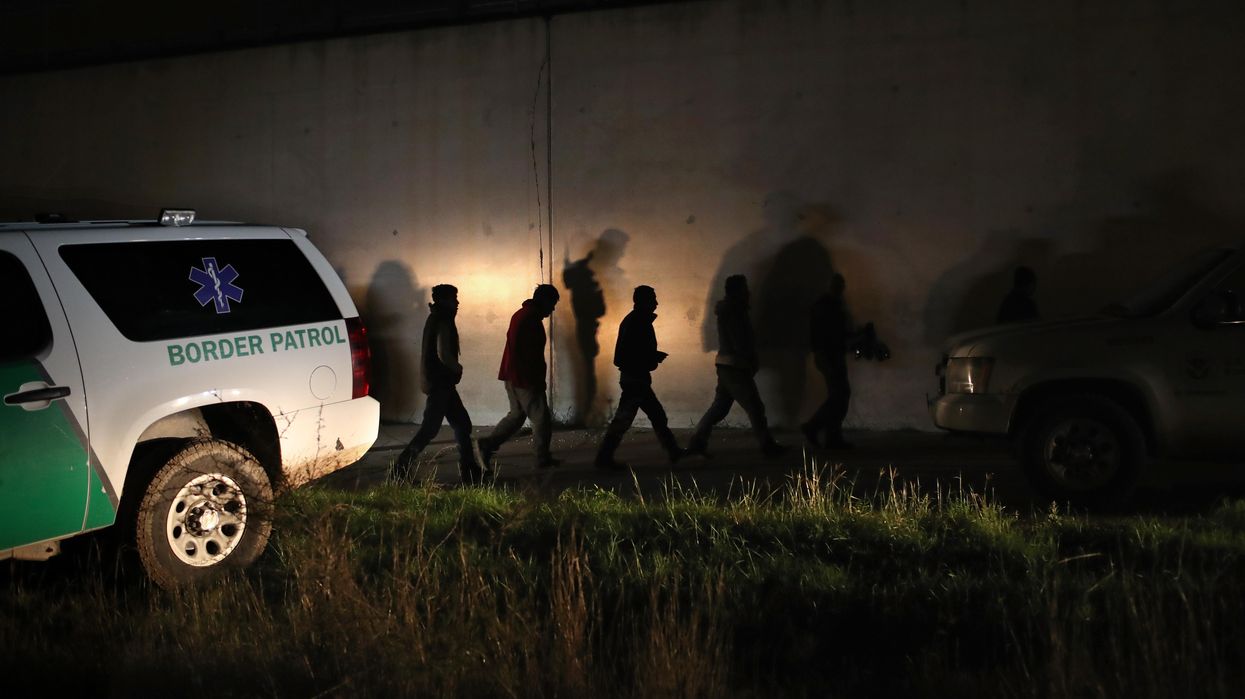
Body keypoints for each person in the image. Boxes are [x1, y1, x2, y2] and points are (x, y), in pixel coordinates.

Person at [391, 284, 483, 484]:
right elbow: (444, 353)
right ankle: (399, 468)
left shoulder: (436, 317)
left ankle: (470, 470)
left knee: (462, 424)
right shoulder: (443, 320)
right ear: (444, 300)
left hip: (442, 383)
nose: (457, 302)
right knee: (431, 429)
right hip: (440, 383)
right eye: (454, 298)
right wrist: (457, 367)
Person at [686, 275, 786, 458]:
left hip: (726, 364)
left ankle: (697, 442)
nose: (748, 292)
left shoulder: (730, 310)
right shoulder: (735, 311)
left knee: (720, 407)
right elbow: (741, 340)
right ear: (738, 291)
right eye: (744, 288)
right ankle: (767, 445)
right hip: (735, 366)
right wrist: (749, 359)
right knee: (754, 407)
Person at [594, 286, 684, 470]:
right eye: (653, 299)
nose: (656, 303)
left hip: (634, 378)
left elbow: (627, 353)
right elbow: (626, 355)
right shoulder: (638, 322)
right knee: (629, 419)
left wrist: (651, 356)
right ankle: (604, 459)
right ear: (643, 301)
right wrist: (652, 357)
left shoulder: (635, 321)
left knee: (650, 416)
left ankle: (673, 452)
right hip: (636, 379)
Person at [478, 284, 561, 468]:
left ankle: (487, 445)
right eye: (552, 303)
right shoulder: (529, 318)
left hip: (514, 375)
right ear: (544, 300)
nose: (553, 308)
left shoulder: (523, 315)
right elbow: (523, 352)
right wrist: (531, 379)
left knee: (516, 416)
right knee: (541, 418)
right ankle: (542, 458)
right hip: (524, 378)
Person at [802, 273, 855, 450]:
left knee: (839, 395)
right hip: (829, 356)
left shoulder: (829, 305)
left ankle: (830, 435)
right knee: (839, 395)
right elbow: (823, 334)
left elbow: (835, 332)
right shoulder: (826, 306)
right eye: (838, 285)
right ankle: (817, 428)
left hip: (831, 355)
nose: (840, 289)